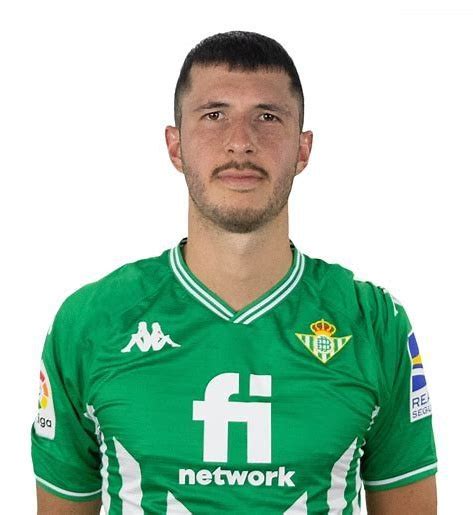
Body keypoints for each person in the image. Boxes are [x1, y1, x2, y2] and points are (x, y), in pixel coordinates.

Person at [31, 30, 437, 514]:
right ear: (175, 146)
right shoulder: (91, 323)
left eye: (267, 117)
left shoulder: (375, 323)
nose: (241, 142)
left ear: (303, 149)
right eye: (214, 115)